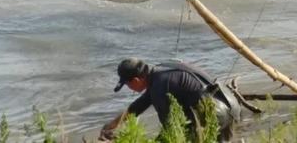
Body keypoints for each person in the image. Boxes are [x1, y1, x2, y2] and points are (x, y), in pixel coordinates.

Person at [100, 58, 240, 142]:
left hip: (215, 114)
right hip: (228, 103)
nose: (129, 88)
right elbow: (139, 105)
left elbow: (171, 129)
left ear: (136, 80)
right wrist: (113, 125)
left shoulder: (159, 87)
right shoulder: (160, 72)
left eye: (128, 84)